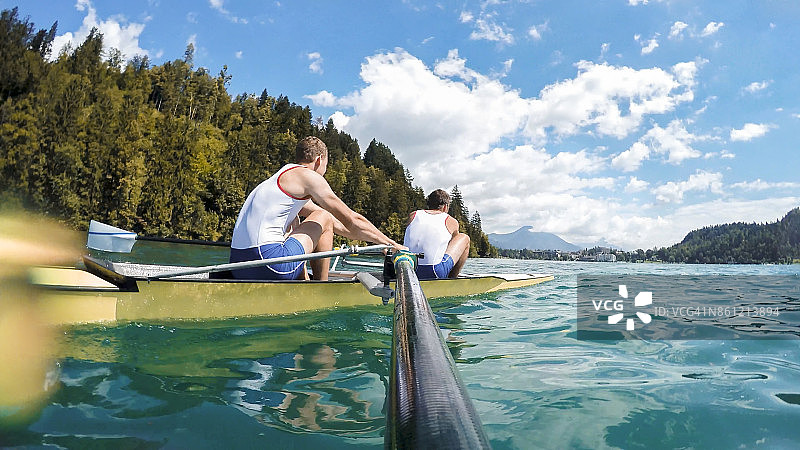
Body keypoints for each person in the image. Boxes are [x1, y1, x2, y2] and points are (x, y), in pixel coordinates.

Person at [229, 136, 404, 281]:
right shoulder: (308, 176)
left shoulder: (280, 182)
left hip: (238, 266)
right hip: (269, 265)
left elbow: (341, 227)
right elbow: (351, 220)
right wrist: (393, 244)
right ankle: (321, 285)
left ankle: (304, 281)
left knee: (299, 221)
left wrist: (379, 242)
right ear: (320, 160)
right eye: (326, 165)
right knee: (323, 215)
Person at [403, 189, 470, 279]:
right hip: (433, 272)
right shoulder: (450, 221)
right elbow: (452, 248)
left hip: (406, 269)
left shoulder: (413, 215)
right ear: (445, 207)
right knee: (464, 238)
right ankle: (452, 279)